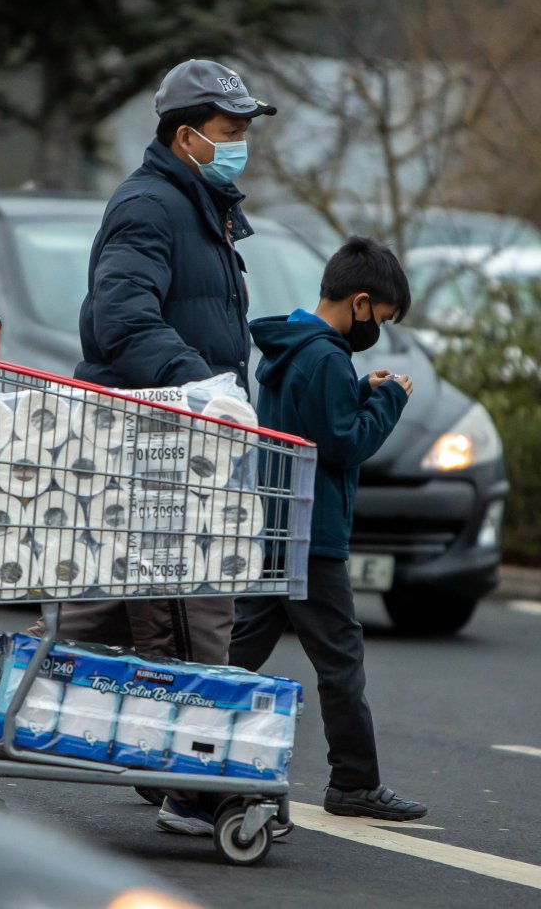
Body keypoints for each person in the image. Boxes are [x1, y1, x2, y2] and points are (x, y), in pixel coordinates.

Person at [0, 59, 290, 836]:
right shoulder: (151, 206)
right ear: (187, 135)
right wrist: (204, 387)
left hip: (182, 441)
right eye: (230, 134)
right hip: (163, 442)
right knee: (192, 611)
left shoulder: (203, 207)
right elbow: (121, 320)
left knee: (99, 607)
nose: (241, 147)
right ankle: (195, 787)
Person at [228, 236, 428, 821]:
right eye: (382, 318)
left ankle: (172, 746)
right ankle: (355, 784)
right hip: (313, 534)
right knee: (341, 661)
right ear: (360, 302)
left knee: (238, 652)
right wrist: (387, 401)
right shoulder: (326, 358)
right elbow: (343, 445)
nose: (378, 330)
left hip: (277, 524)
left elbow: (312, 418)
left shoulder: (294, 346)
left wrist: (357, 391)